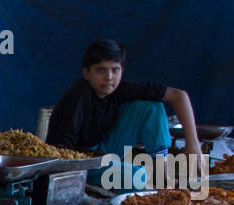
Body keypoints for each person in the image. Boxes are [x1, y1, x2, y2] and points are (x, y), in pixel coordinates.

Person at [45, 39, 203, 187]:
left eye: (115, 70)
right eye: (101, 70)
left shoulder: (118, 89)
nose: (109, 77)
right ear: (86, 73)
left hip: (103, 151)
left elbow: (178, 95)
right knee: (135, 177)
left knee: (151, 107)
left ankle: (162, 173)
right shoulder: (79, 96)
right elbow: (60, 154)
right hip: (80, 164)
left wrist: (193, 143)